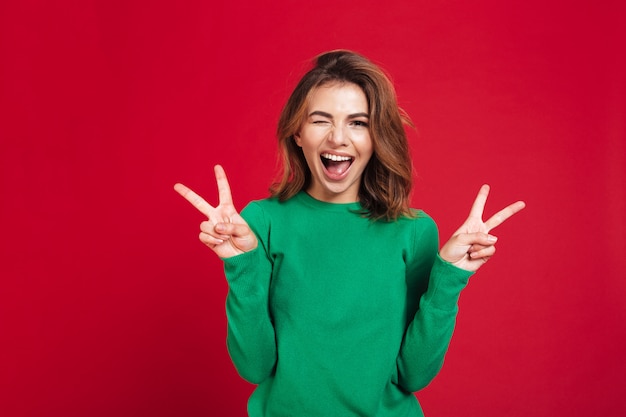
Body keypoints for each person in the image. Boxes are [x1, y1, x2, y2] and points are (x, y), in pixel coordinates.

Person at [174, 50, 525, 417]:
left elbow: (414, 376)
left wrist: (450, 279)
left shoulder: (415, 231)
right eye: (320, 120)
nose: (338, 138)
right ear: (297, 132)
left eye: (358, 123)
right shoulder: (260, 223)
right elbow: (254, 367)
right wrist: (241, 266)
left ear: (377, 137)